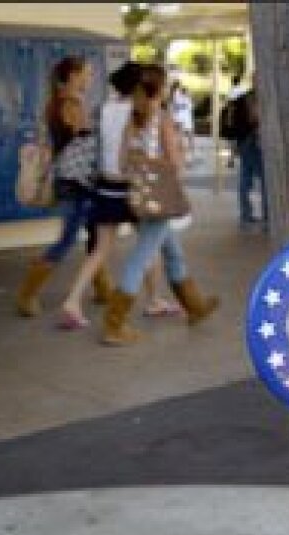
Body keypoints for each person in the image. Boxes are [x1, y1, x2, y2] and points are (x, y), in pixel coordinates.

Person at [103, 64, 219, 346]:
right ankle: (114, 324)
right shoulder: (163, 119)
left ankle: (195, 307)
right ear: (159, 89)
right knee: (139, 258)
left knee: (173, 253)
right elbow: (175, 163)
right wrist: (170, 158)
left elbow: (121, 163)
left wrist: (142, 164)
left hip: (141, 197)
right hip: (161, 199)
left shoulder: (134, 119)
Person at [16, 56, 114, 318]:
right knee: (68, 239)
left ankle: (103, 287)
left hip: (77, 181)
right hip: (77, 182)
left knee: (96, 235)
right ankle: (27, 294)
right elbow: (85, 138)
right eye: (87, 73)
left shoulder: (57, 102)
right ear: (73, 75)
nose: (90, 78)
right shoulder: (70, 104)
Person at [53, 61, 142, 329]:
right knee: (151, 244)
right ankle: (137, 307)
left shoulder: (102, 109)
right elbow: (130, 151)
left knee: (101, 249)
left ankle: (72, 300)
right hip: (127, 186)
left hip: (104, 185)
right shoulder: (136, 112)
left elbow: (93, 142)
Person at [233, 72, 267, 230]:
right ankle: (256, 216)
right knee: (261, 180)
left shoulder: (245, 99)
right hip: (252, 141)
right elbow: (249, 120)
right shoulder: (249, 99)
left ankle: (248, 215)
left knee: (248, 180)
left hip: (250, 141)